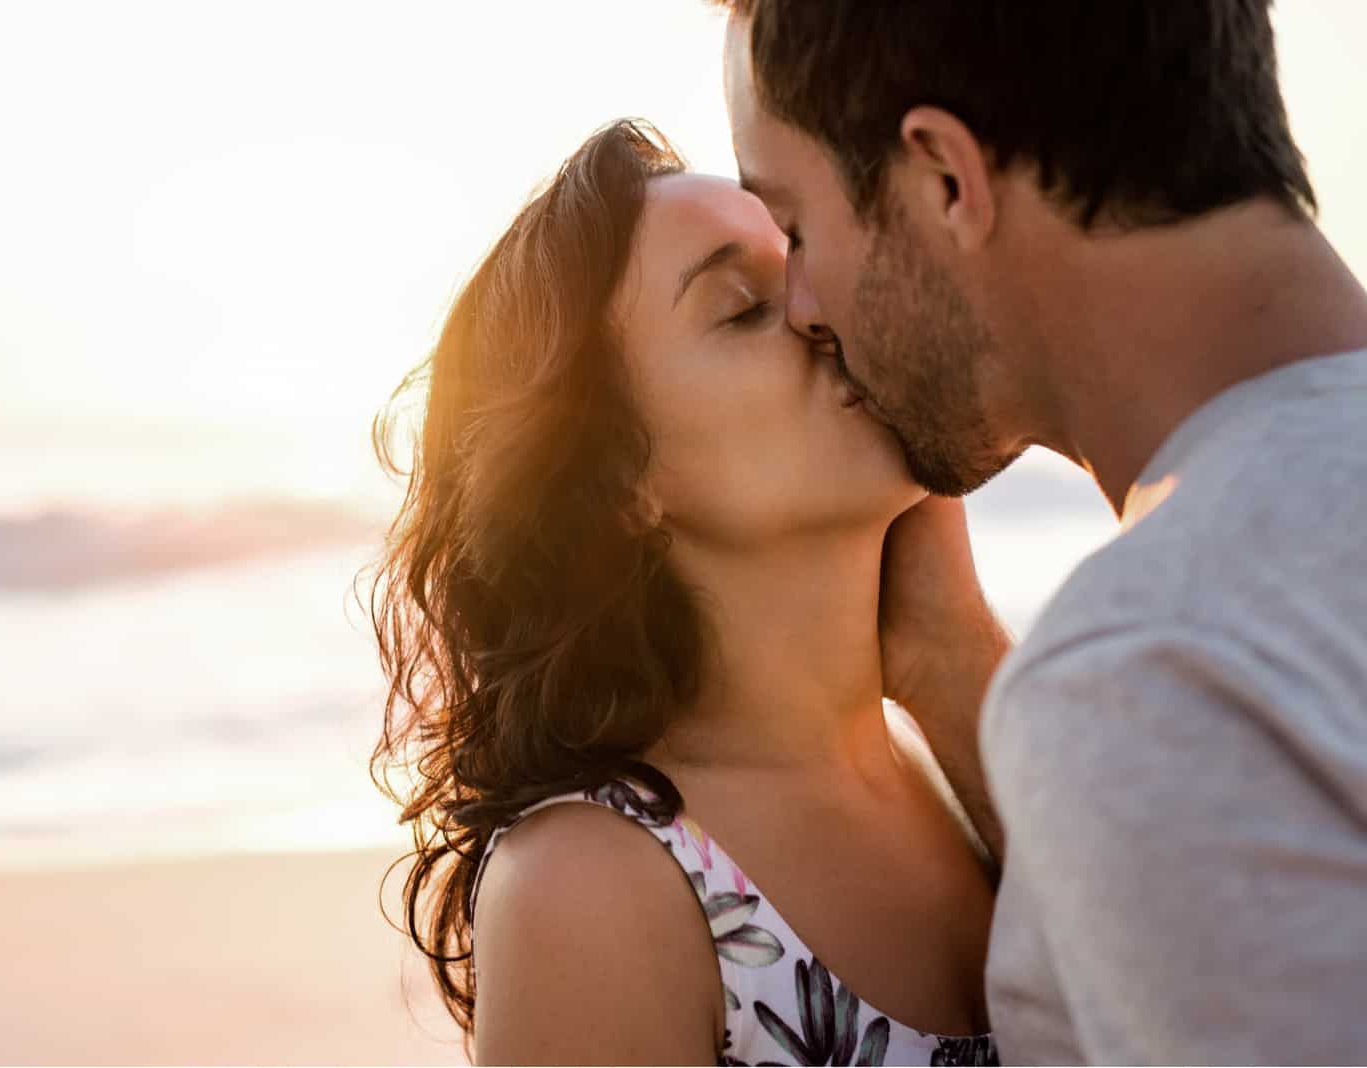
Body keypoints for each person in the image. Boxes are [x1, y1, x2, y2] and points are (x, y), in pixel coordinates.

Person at [717, 1, 1367, 1062]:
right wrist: (951, 662)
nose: (801, 305)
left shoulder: (1158, 667)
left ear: (942, 180)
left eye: (794, 227)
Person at [369, 120, 1002, 1066]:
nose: (824, 307)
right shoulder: (592, 885)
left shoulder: (955, 762)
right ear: (620, 481)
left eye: (806, 255)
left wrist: (953, 653)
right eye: (744, 306)